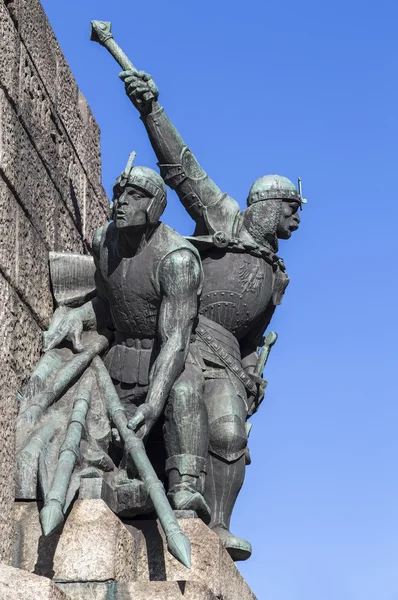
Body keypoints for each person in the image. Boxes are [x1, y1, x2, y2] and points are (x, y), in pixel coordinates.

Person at [119, 70, 304, 559]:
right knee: (191, 418)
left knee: (230, 434)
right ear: (269, 203)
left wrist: (249, 372)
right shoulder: (224, 217)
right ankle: (179, 500)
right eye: (292, 207)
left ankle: (217, 528)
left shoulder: (277, 273)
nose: (297, 219)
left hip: (227, 357)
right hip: (190, 336)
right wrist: (150, 108)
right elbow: (182, 168)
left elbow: (249, 336)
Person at [41, 158, 211, 520]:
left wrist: (152, 403)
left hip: (167, 361)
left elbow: (176, 340)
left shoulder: (177, 259)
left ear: (153, 206)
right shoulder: (104, 241)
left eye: (134, 196)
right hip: (120, 358)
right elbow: (106, 300)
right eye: (119, 194)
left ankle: (185, 486)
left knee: (182, 395)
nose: (121, 202)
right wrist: (79, 314)